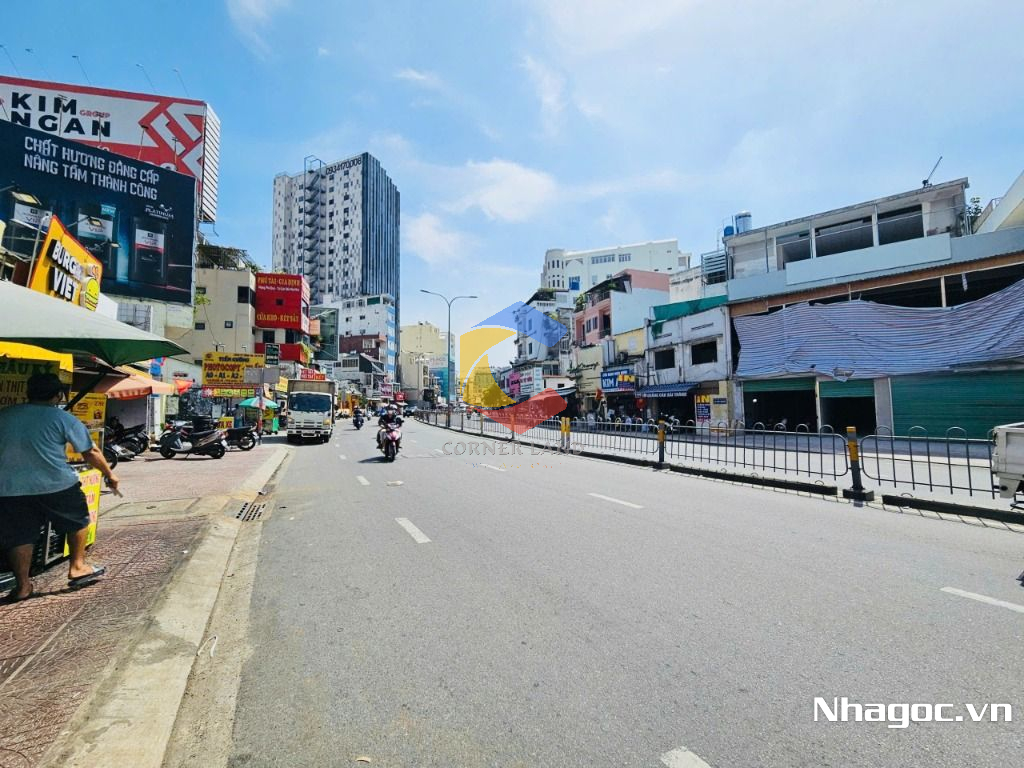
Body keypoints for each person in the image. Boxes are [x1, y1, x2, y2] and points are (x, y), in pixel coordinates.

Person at [0, 373, 119, 603]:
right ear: (58, 395)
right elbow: (90, 451)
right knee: (78, 520)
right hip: (56, 484)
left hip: (10, 488)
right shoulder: (63, 418)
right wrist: (110, 474)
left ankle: (23, 585)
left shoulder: (5, 415)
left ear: (28, 392)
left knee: (19, 535)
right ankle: (77, 566)